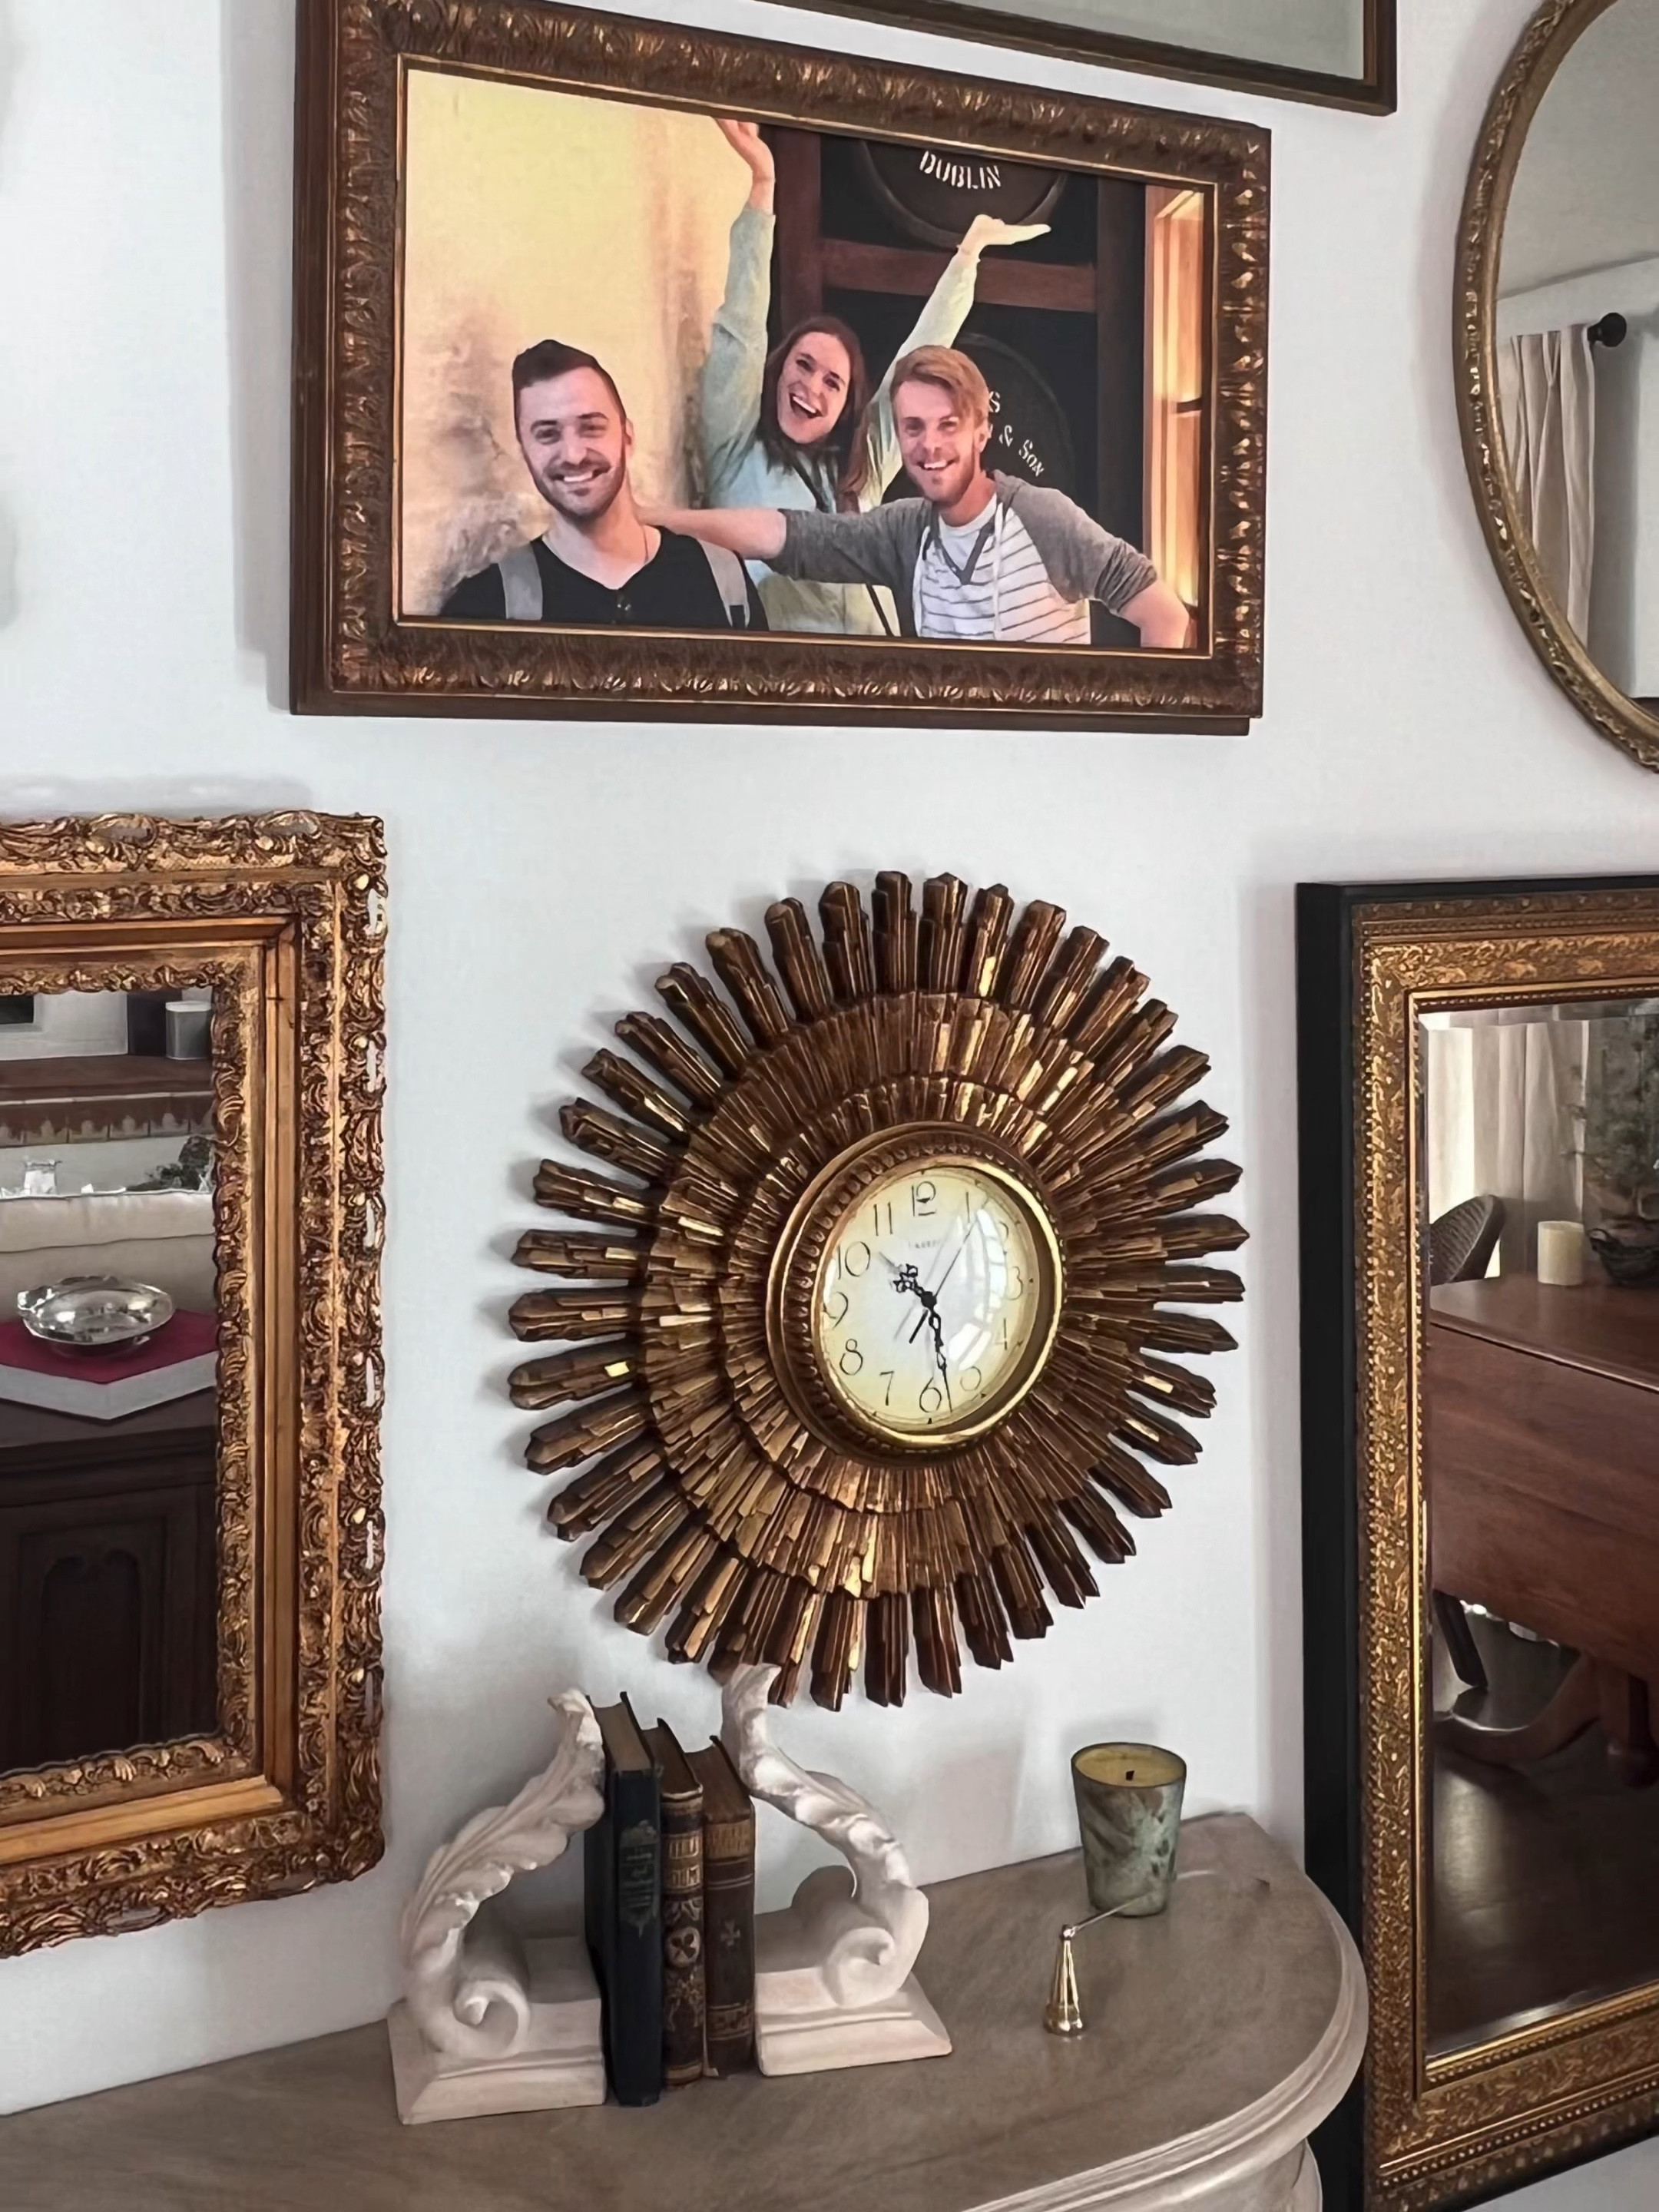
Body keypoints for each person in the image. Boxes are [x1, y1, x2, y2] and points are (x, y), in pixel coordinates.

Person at [699, 118, 1048, 634]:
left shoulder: (861, 468)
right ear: (776, 373)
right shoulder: (734, 451)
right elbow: (743, 331)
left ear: (846, 405)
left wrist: (968, 255)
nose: (811, 387)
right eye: (803, 365)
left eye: (832, 383)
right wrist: (763, 187)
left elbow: (919, 359)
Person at [657, 346, 1192, 647]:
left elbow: (1165, 616)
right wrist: (651, 519)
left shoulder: (1040, 515)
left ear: (981, 432)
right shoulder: (905, 531)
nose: (929, 445)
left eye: (948, 425)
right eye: (913, 427)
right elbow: (786, 535)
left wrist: (1127, 753)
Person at [442, 339, 766, 630]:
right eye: (547, 434)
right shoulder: (485, 610)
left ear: (627, 436)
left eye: (591, 427)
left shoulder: (724, 582)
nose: (573, 454)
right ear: (523, 451)